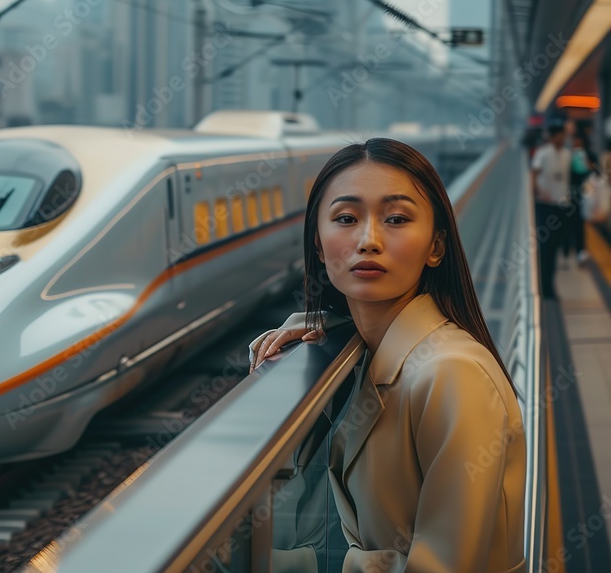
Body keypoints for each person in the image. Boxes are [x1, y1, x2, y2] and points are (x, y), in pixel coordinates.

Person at [249, 138, 526, 572]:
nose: (368, 240)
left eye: (396, 219)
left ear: (436, 247)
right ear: (319, 246)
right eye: (346, 218)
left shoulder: (452, 374)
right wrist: (327, 324)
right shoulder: (372, 351)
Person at [531, 120, 571, 298]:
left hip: (561, 206)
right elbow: (534, 175)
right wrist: (540, 192)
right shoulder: (542, 153)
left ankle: (549, 286)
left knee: (555, 247)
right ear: (553, 136)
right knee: (545, 247)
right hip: (545, 206)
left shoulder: (567, 154)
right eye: (559, 135)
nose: (562, 138)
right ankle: (544, 286)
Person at [564, 120, 599, 264]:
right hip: (570, 194)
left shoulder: (588, 155)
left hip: (582, 195)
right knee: (568, 224)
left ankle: (579, 250)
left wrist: (590, 166)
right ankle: (567, 252)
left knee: (578, 223)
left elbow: (597, 172)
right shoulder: (567, 154)